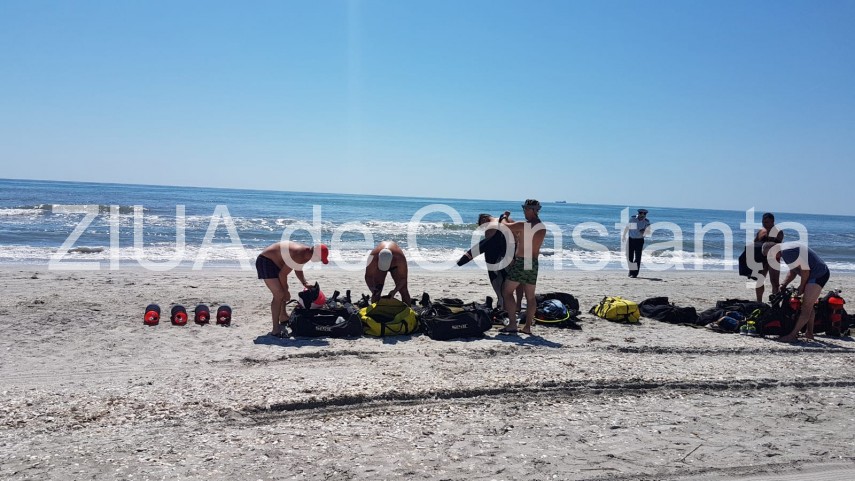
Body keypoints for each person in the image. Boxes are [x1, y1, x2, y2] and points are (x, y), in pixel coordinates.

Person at [256, 241, 329, 337]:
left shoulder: (306, 254)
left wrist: (305, 283)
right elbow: (283, 274)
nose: (319, 261)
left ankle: (283, 316)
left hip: (275, 263)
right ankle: (275, 329)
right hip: (266, 261)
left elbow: (298, 269)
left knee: (282, 290)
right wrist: (286, 291)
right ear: (315, 255)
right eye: (320, 259)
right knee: (279, 294)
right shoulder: (299, 254)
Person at [764, 242, 830, 342]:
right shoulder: (786, 249)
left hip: (818, 274)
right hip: (816, 273)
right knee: (808, 305)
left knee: (805, 307)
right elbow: (793, 271)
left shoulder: (787, 252)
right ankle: (809, 333)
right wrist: (784, 284)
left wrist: (802, 286)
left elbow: (805, 270)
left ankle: (792, 335)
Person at [499, 199, 546, 335]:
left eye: (525, 209)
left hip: (523, 262)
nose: (524, 211)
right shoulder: (541, 227)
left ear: (532, 210)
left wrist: (504, 216)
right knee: (530, 297)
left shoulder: (524, 225)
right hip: (533, 262)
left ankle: (513, 324)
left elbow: (504, 226)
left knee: (506, 291)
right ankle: (527, 327)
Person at [457, 213, 515, 309]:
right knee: (509, 287)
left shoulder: (490, 227)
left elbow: (485, 245)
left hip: (496, 261)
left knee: (498, 284)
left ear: (484, 219)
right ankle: (513, 306)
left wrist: (463, 260)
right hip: (513, 257)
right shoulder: (510, 221)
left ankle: (502, 305)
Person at [365, 241, 411, 305]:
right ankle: (375, 310)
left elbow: (403, 279)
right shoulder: (372, 257)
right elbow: (368, 276)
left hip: (395, 266)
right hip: (380, 264)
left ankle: (408, 310)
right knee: (377, 289)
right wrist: (372, 290)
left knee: (403, 290)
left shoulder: (400, 258)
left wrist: (394, 291)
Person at [752, 212, 784, 302]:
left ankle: (775, 303)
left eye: (766, 222)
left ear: (772, 221)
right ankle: (759, 301)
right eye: (763, 221)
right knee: (759, 281)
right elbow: (754, 243)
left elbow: (777, 246)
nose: (764, 224)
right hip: (761, 259)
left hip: (774, 259)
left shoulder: (778, 232)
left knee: (775, 282)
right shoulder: (761, 231)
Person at [623, 209, 650, 278]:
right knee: (629, 257)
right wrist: (624, 236)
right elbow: (627, 227)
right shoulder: (633, 219)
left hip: (639, 241)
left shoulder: (646, 222)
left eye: (644, 215)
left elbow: (648, 232)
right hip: (631, 239)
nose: (643, 216)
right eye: (641, 214)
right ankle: (631, 271)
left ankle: (634, 274)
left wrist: (644, 231)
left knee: (637, 258)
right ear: (639, 214)